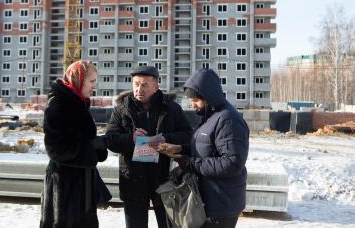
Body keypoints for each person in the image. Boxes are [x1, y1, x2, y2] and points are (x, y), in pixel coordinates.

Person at [158, 68, 249, 228]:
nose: (192, 104)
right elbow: (206, 148)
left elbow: (231, 163)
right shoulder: (211, 117)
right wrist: (180, 148)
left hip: (221, 203)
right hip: (208, 200)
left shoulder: (228, 120)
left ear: (209, 96)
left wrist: (191, 164)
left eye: (196, 100)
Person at [104, 66, 192, 228]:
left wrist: (167, 139)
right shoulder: (121, 110)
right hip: (132, 179)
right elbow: (110, 140)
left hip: (163, 179)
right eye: (136, 84)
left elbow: (187, 135)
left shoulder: (171, 108)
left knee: (167, 225)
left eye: (144, 85)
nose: (139, 89)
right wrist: (132, 139)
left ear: (156, 87)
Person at [40, 60, 111, 228]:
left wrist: (97, 146)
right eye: (91, 81)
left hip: (81, 181)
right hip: (64, 183)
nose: (94, 86)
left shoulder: (77, 101)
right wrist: (91, 148)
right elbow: (55, 148)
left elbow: (81, 138)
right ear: (79, 79)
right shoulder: (58, 104)